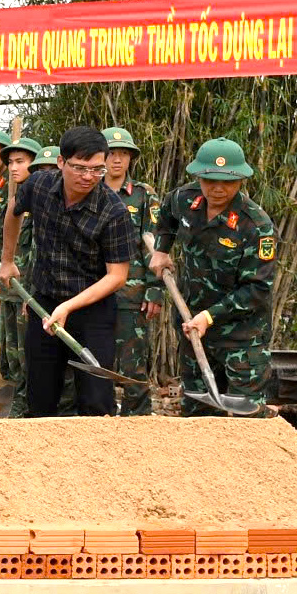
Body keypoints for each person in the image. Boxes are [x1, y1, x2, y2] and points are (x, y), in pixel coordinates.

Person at [0, 125, 137, 418]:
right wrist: (7, 260)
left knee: (96, 399)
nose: (88, 177)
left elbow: (117, 276)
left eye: (97, 170)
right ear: (61, 163)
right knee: (40, 396)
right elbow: (14, 210)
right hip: (44, 303)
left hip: (92, 309)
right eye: (80, 168)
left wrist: (69, 307)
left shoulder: (113, 212)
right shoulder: (39, 186)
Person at [151, 138, 277, 409]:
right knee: (197, 418)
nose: (218, 189)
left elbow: (257, 289)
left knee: (247, 420)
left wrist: (209, 317)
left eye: (228, 182)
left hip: (241, 339)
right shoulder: (185, 199)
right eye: (210, 180)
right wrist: (161, 250)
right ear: (199, 176)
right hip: (191, 329)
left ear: (242, 180)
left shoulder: (256, 226)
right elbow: (165, 216)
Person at [101, 126, 163, 415]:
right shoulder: (88, 191)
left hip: (132, 292)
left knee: (133, 360)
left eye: (123, 154)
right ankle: (98, 413)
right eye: (111, 154)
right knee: (97, 358)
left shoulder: (143, 195)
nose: (116, 160)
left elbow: (155, 245)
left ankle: (137, 417)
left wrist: (154, 287)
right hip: (93, 289)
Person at [0, 135, 38, 412]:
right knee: (12, 348)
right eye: (12, 162)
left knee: (29, 349)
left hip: (31, 286)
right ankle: (18, 400)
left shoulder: (40, 198)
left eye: (21, 162)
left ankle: (30, 400)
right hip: (9, 282)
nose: (14, 167)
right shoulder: (5, 195)